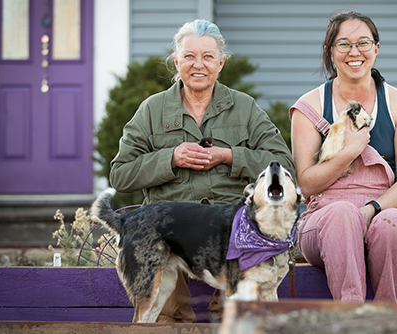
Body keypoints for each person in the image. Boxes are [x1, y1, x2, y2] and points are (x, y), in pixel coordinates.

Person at [109, 19, 295, 323]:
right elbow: (120, 174)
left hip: (234, 239)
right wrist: (170, 158)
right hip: (169, 238)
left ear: (221, 63)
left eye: (208, 56)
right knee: (166, 321)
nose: (199, 65)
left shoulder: (245, 108)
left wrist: (230, 156)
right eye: (189, 56)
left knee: (236, 319)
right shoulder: (152, 110)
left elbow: (284, 165)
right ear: (176, 61)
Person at [289, 11, 397, 303]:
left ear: (376, 48)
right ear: (329, 52)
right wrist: (348, 152)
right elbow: (307, 184)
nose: (354, 52)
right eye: (343, 44)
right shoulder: (309, 107)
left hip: (385, 209)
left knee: (395, 226)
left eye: (363, 42)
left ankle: (387, 319)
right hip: (325, 219)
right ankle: (352, 318)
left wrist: (371, 210)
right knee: (342, 214)